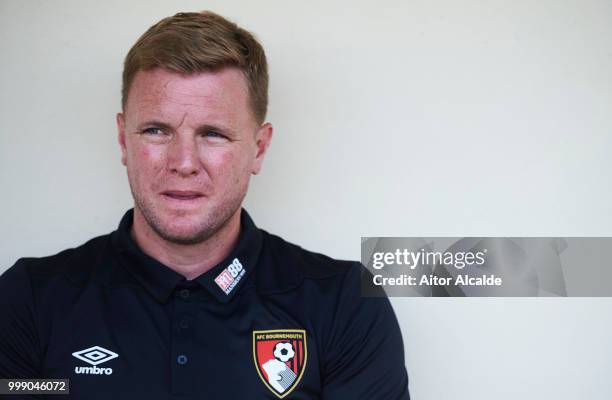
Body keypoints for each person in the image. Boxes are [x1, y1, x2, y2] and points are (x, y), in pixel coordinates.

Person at [0, 11, 410, 399]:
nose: (183, 163)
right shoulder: (29, 301)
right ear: (124, 140)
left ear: (259, 149)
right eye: (156, 130)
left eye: (213, 134)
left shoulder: (343, 305)